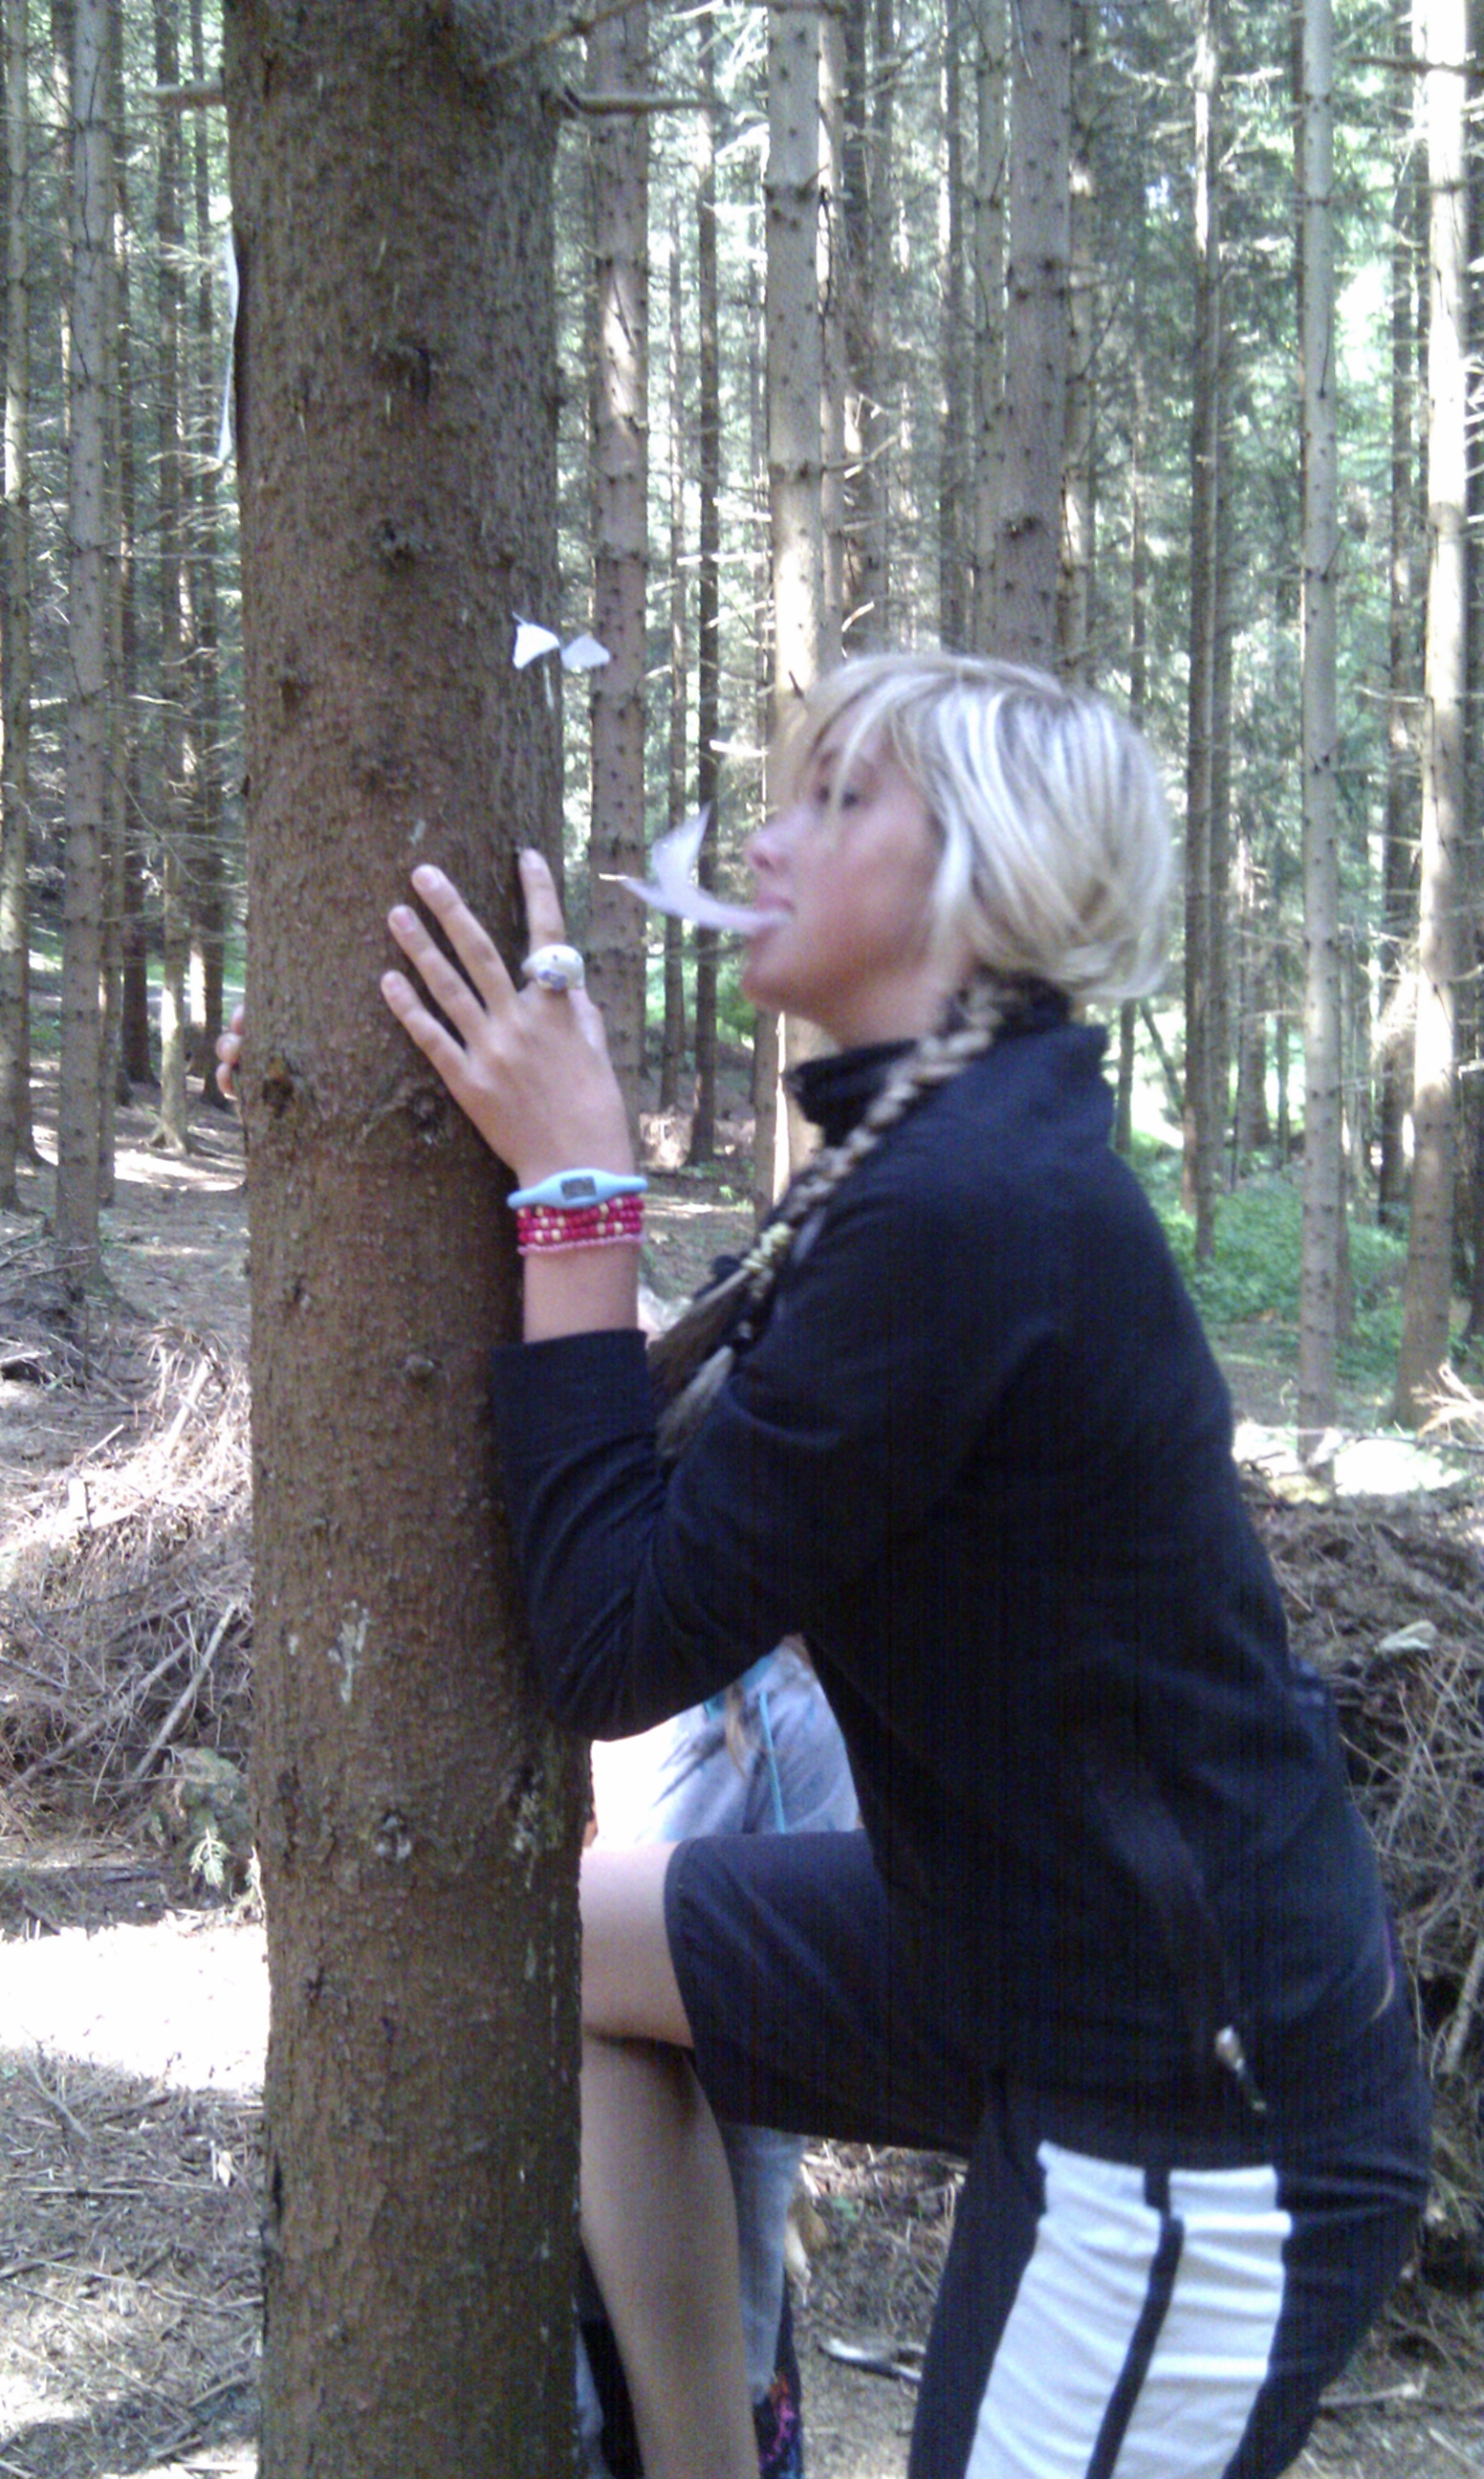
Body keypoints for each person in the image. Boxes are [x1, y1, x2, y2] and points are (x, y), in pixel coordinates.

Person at [354, 648, 1424, 2479]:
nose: (766, 839)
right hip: (1017, 1955)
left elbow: (611, 1640)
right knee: (569, 1953)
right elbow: (687, 1482)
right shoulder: (933, 1147)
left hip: (1191, 2100)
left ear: (981, 882)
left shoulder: (968, 1202)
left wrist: (580, 1190)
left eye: (840, 799)